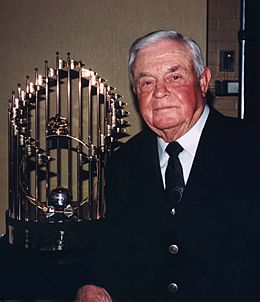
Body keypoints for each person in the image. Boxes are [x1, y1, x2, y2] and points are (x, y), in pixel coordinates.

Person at [78, 30, 260, 301]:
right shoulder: (123, 162)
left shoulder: (251, 148)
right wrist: (92, 284)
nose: (160, 92)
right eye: (147, 82)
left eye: (175, 77)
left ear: (202, 81)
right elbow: (113, 245)